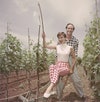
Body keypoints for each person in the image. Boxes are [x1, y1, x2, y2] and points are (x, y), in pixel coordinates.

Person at [42, 32, 76, 98]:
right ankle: (52, 90)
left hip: (65, 67)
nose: (60, 39)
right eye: (59, 38)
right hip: (58, 65)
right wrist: (44, 38)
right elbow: (45, 46)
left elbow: (74, 58)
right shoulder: (57, 47)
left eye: (62, 37)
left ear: (65, 38)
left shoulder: (70, 48)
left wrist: (72, 68)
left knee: (56, 70)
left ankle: (48, 90)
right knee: (51, 66)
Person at [64, 23, 86, 99]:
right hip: (62, 59)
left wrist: (72, 67)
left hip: (71, 59)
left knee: (76, 79)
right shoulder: (61, 38)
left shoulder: (75, 40)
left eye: (71, 28)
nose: (69, 30)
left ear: (73, 30)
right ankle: (58, 96)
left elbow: (75, 55)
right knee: (59, 79)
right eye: (68, 28)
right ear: (66, 29)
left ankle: (81, 95)